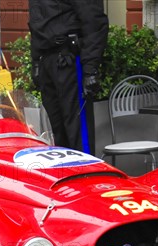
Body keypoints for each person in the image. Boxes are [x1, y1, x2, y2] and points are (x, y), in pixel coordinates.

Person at [28, 0, 108, 151]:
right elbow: (36, 23)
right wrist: (36, 61)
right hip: (46, 60)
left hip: (69, 59)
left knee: (78, 131)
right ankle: (63, 173)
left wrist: (90, 68)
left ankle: (86, 173)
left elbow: (94, 22)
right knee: (54, 132)